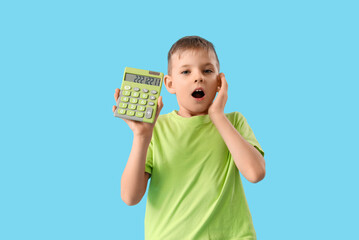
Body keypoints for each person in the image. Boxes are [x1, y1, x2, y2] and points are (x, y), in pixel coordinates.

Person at [113, 36, 266, 240]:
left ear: (220, 82)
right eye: (186, 71)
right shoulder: (156, 129)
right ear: (169, 83)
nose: (198, 77)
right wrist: (141, 137)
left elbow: (255, 173)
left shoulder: (234, 122)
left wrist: (218, 116)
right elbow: (130, 197)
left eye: (207, 70)